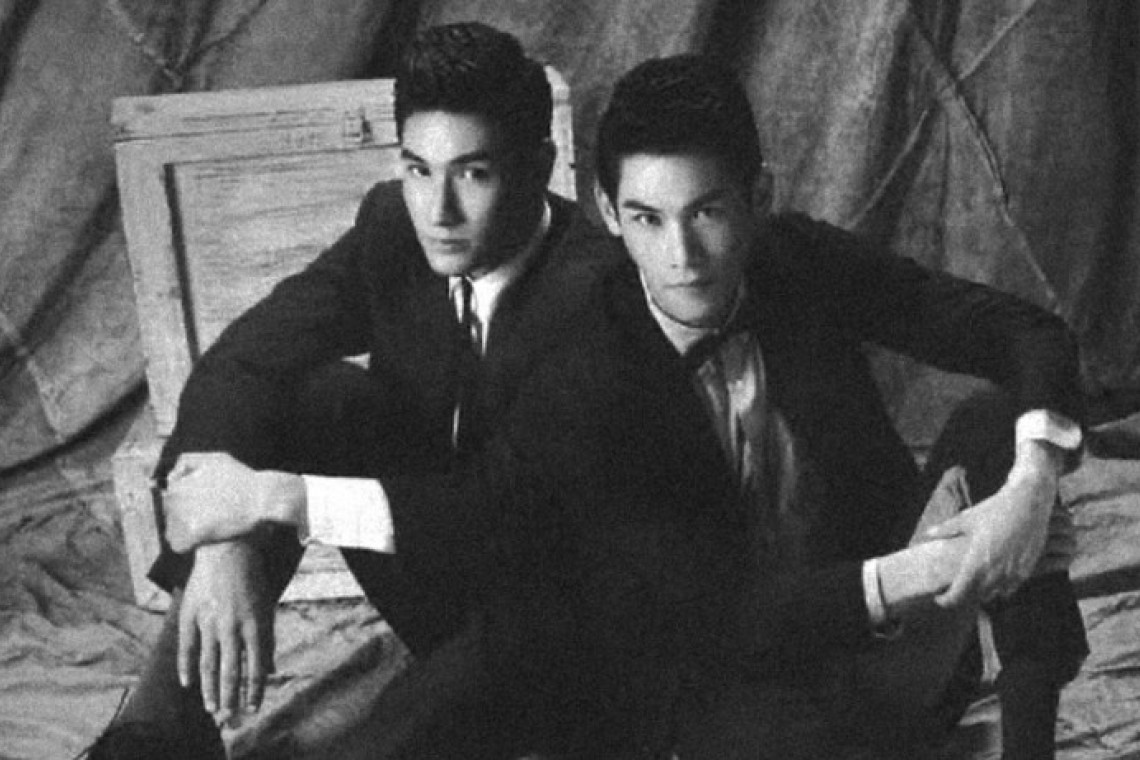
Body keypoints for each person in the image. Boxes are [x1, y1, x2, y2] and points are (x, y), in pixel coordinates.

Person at [88, 22, 618, 760]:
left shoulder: (599, 295)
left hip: (548, 630)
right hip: (439, 573)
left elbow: (501, 513)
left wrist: (275, 497)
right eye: (419, 169)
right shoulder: (393, 225)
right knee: (317, 396)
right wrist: (222, 539)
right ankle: (160, 726)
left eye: (473, 174)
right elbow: (247, 360)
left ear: (540, 168)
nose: (438, 210)